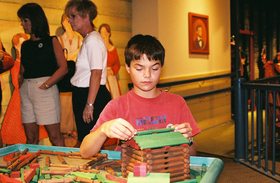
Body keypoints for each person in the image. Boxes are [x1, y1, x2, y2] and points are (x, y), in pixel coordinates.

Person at [80, 34, 201, 158]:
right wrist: (103, 129)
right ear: (128, 67)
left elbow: (192, 154)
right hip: (129, 173)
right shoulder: (117, 105)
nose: (147, 75)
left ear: (161, 68)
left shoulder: (177, 103)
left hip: (167, 171)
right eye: (139, 68)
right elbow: (85, 151)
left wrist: (188, 140)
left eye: (154, 68)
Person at [17, 3, 67, 146]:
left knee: (55, 137)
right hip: (26, 90)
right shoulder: (25, 45)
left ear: (35, 20)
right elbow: (23, 71)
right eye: (22, 21)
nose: (22, 24)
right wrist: (20, 85)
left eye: (25, 20)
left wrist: (47, 84)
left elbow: (63, 68)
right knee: (31, 139)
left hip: (45, 89)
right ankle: (32, 166)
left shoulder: (52, 41)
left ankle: (64, 165)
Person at [64, 0, 111, 147]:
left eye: (73, 16)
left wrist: (89, 104)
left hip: (91, 95)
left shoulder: (93, 41)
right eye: (69, 17)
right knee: (87, 140)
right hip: (85, 93)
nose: (70, 21)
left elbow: (96, 73)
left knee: (89, 142)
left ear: (86, 16)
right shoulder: (88, 39)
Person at [57, 13, 82, 137]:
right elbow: (60, 57)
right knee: (65, 102)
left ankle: (78, 128)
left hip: (78, 73)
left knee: (78, 99)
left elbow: (83, 54)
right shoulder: (60, 39)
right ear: (62, 23)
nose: (68, 23)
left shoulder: (80, 37)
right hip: (66, 74)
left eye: (70, 20)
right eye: (65, 21)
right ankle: (65, 128)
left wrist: (72, 57)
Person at [98, 23, 121, 99]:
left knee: (114, 97)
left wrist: (112, 71)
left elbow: (117, 64)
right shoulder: (98, 48)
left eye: (105, 32)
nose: (103, 34)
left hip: (111, 77)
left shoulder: (113, 49)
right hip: (101, 77)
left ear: (109, 33)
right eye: (101, 32)